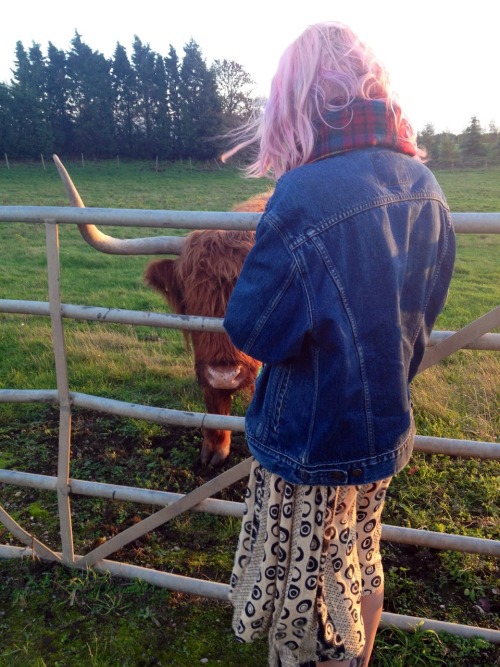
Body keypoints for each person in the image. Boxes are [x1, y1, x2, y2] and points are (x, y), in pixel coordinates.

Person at [221, 21, 456, 667]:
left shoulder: (301, 194)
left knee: (308, 596)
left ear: (298, 101)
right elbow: (424, 308)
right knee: (360, 558)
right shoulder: (425, 187)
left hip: (309, 437)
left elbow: (253, 329)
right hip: (383, 430)